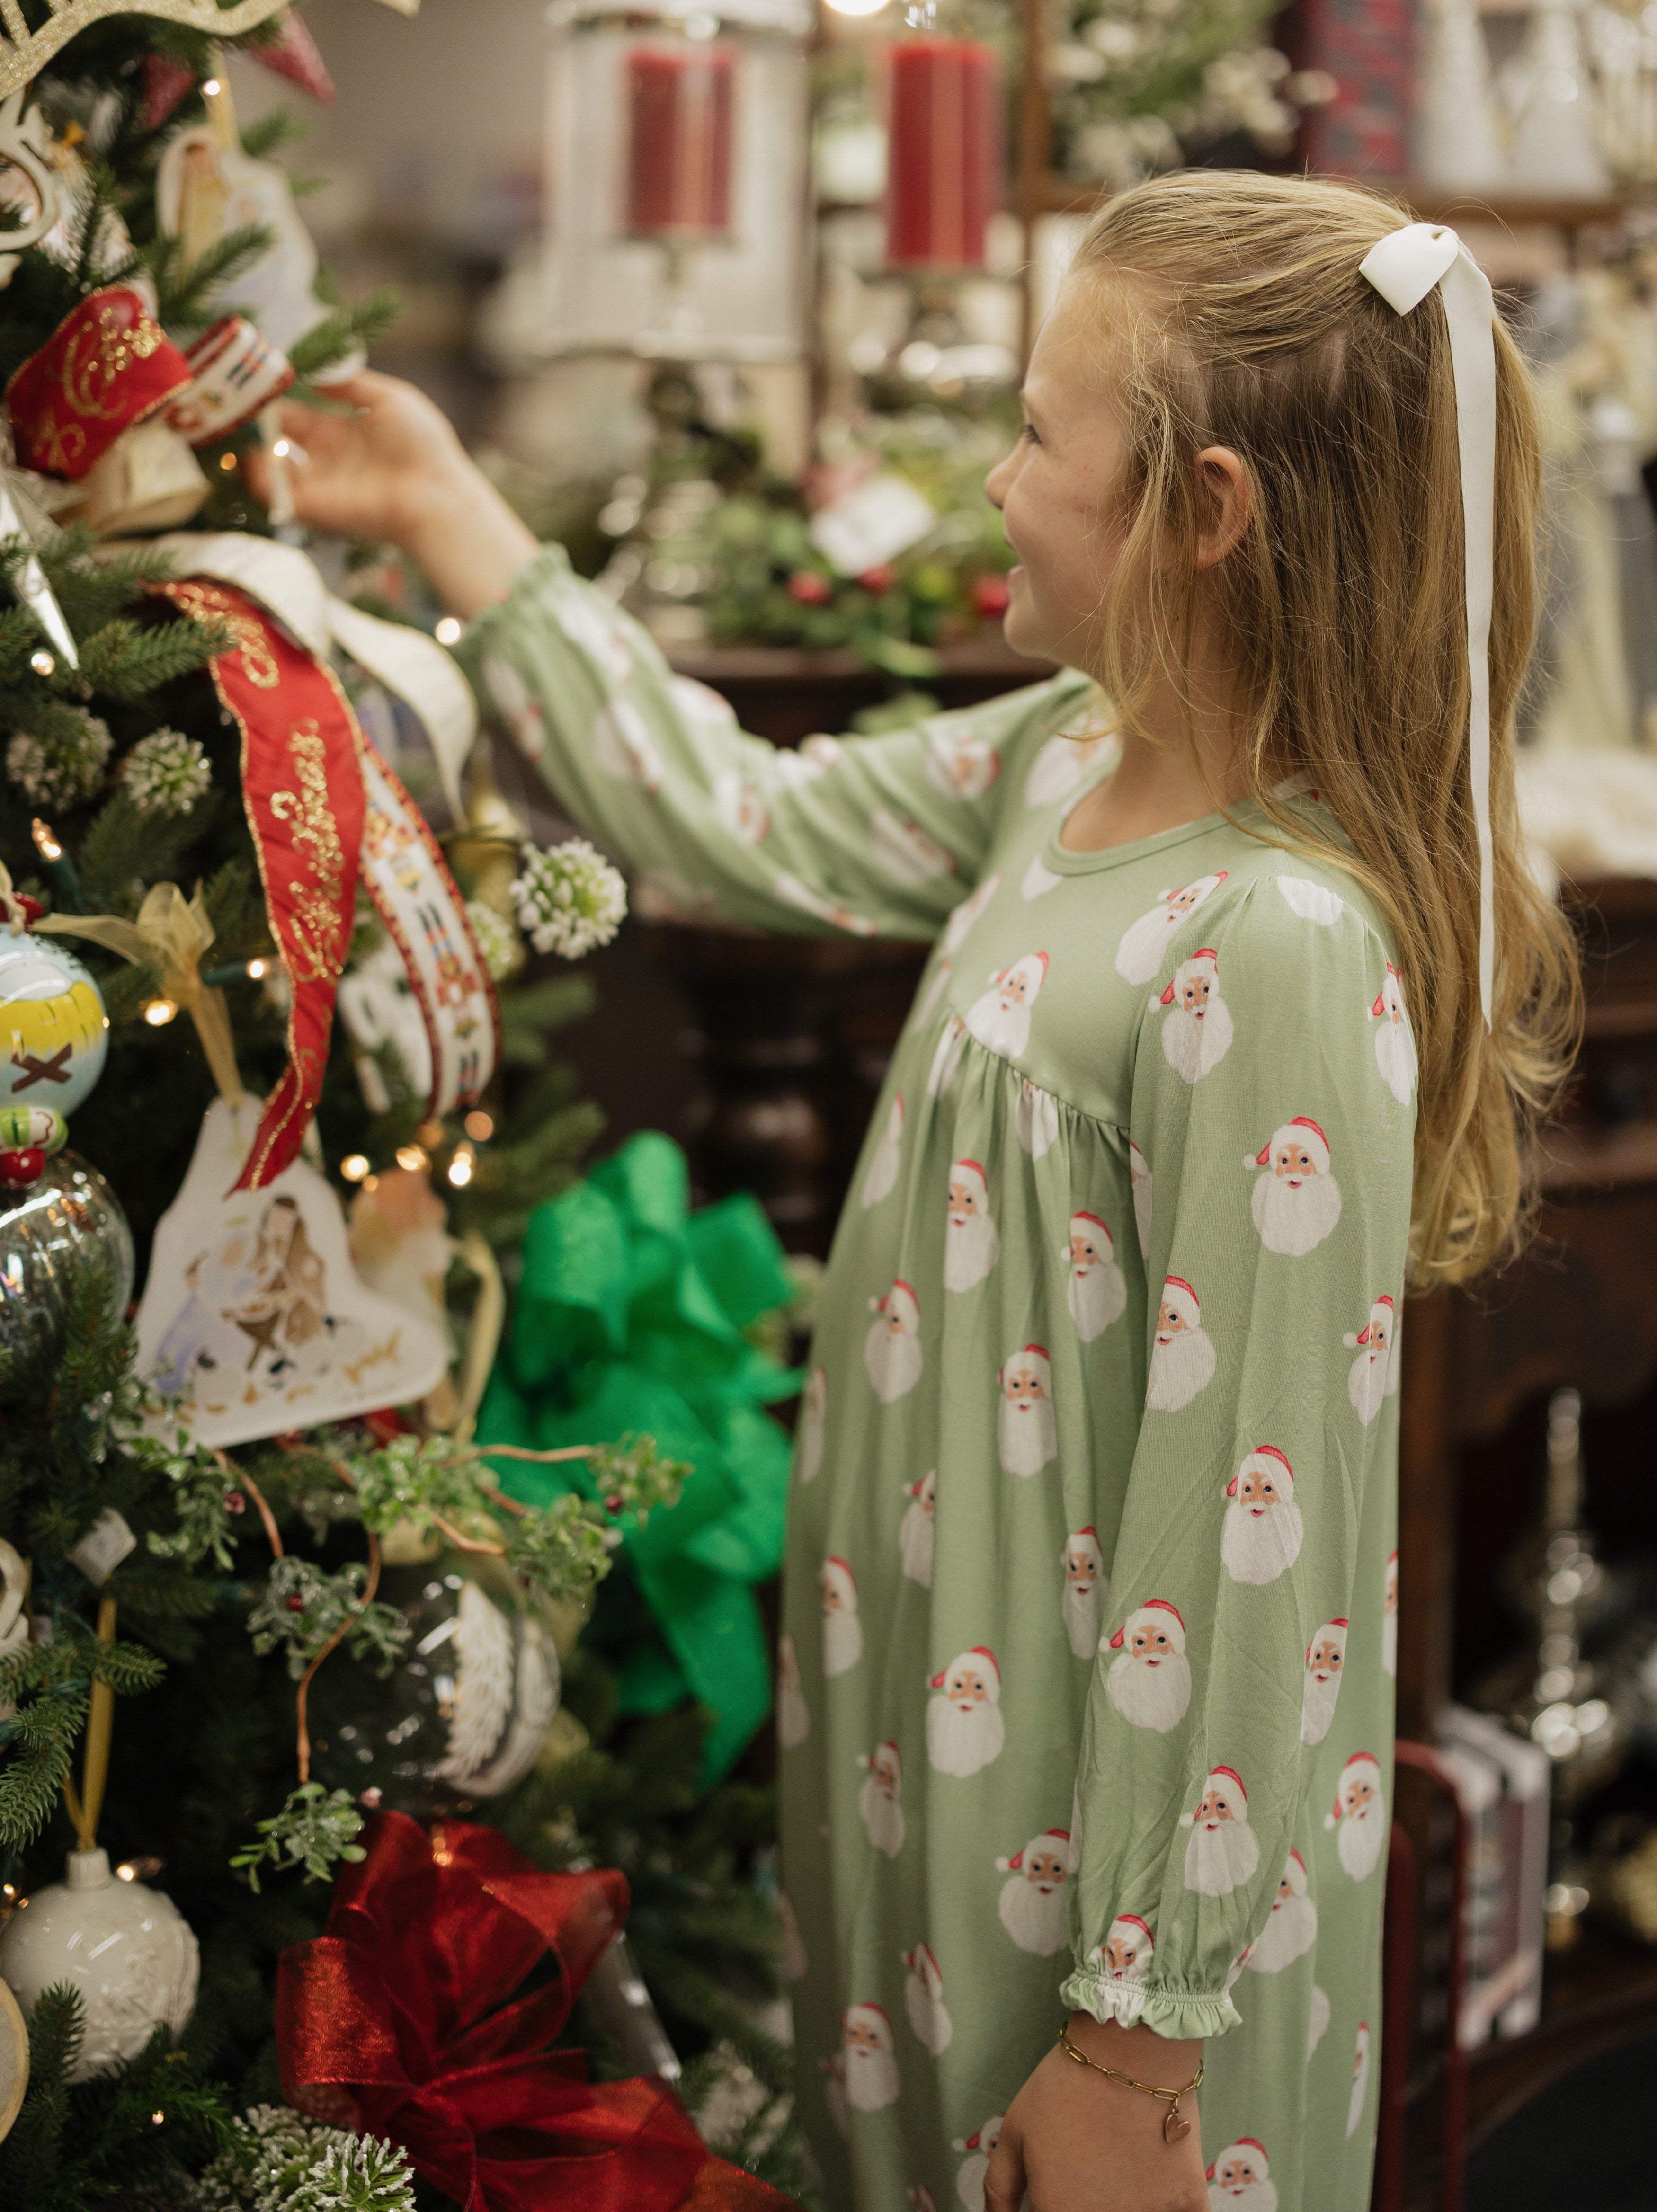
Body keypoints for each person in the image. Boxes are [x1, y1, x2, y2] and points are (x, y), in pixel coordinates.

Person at [258, 172, 1578, 2212]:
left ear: (1203, 514)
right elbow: (739, 823)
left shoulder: (1279, 944)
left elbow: (1253, 1541)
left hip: (1099, 1906)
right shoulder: (1073, 762)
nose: (991, 480)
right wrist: (457, 522)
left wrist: (1133, 2046)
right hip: (926, 1777)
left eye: (1041, 432)